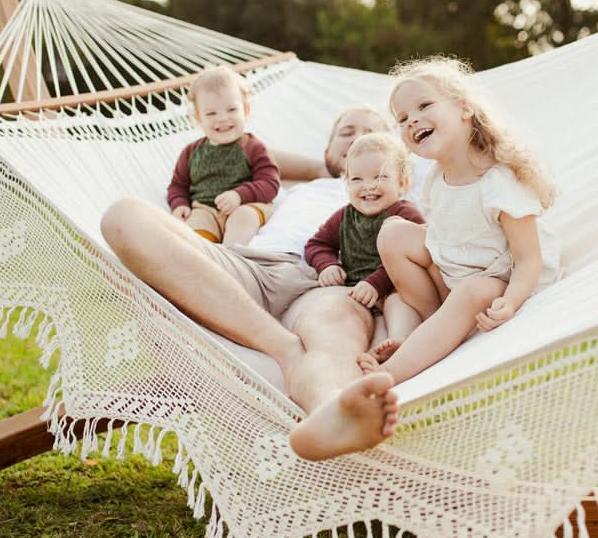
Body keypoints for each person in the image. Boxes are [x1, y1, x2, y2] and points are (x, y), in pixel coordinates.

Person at [101, 105, 399, 462]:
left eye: (371, 134)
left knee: (334, 332)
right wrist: (322, 167)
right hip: (251, 263)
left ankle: (330, 414)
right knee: (124, 217)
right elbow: (257, 152)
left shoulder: (406, 199)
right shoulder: (293, 189)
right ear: (327, 152)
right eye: (347, 133)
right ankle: (286, 350)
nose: (358, 140)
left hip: (329, 284)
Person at [356, 56, 561, 387]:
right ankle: (433, 325)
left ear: (465, 109)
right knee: (392, 233)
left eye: (424, 105)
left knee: (469, 291)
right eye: (403, 118)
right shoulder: (437, 179)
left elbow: (528, 259)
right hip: (458, 269)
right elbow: (448, 236)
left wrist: (510, 301)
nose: (412, 120)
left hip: (503, 280)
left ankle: (389, 374)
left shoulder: (498, 182)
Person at [304, 133, 425, 350]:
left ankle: (400, 341)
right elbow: (317, 244)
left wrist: (376, 284)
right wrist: (328, 265)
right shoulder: (344, 217)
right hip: (357, 293)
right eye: (357, 179)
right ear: (347, 184)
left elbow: (419, 256)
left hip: (395, 288)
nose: (368, 186)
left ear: (402, 183)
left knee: (397, 303)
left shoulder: (404, 214)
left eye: (379, 177)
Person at [167, 66, 280, 245]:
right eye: (211, 113)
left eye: (232, 110)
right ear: (197, 118)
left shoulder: (254, 147)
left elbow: (270, 184)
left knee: (243, 217)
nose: (222, 118)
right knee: (193, 229)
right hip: (205, 209)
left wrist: (239, 195)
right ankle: (205, 255)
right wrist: (179, 204)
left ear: (246, 110)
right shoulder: (191, 152)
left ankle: (232, 254)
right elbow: (177, 186)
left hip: (246, 205)